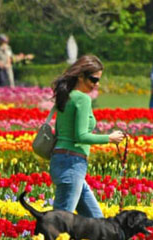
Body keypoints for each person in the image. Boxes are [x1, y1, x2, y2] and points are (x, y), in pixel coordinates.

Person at [50, 55, 126, 218]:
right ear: (80, 76)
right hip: (72, 163)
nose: (96, 84)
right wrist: (109, 138)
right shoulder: (83, 99)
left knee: (97, 221)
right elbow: (81, 136)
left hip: (60, 160)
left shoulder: (65, 96)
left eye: (98, 80)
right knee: (60, 221)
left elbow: (59, 132)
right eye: (93, 79)